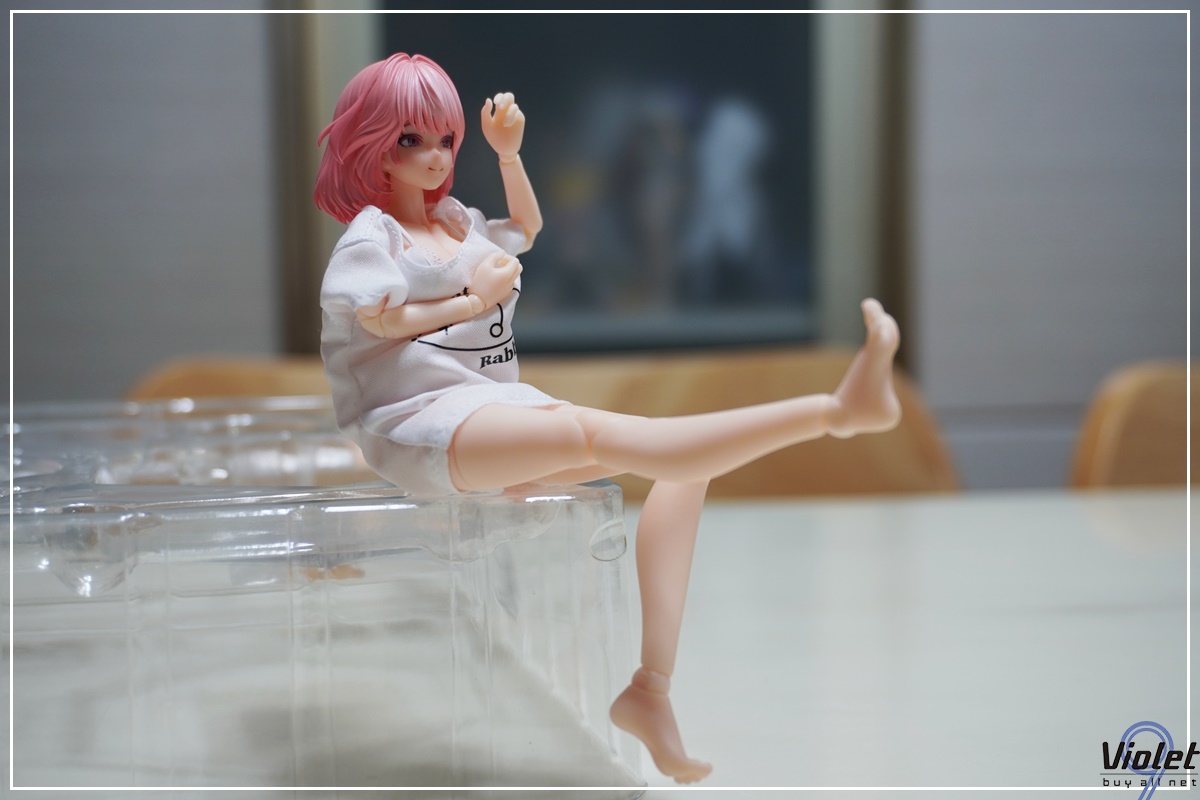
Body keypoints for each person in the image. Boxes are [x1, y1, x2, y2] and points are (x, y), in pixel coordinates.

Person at [315, 53, 901, 784]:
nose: (433, 157)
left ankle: (650, 691)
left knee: (682, 469)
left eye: (443, 140)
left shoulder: (457, 222)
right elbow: (378, 320)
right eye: (411, 140)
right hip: (415, 422)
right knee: (618, 436)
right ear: (374, 145)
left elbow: (526, 226)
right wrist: (473, 301)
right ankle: (834, 411)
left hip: (489, 405)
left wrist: (508, 156)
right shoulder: (374, 238)